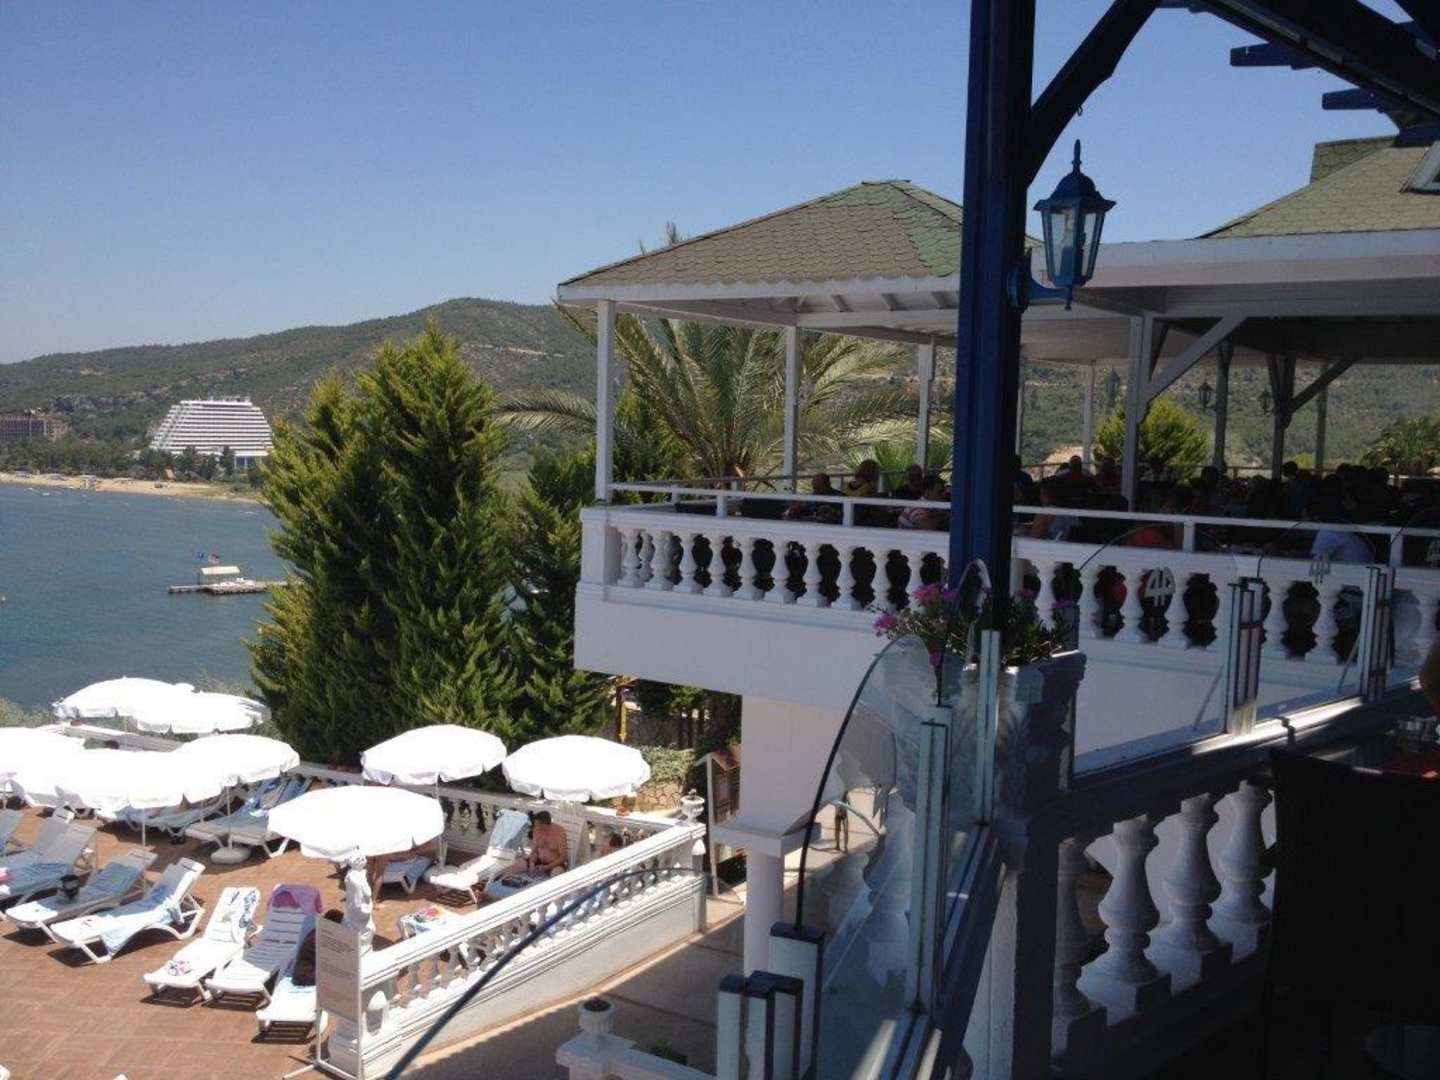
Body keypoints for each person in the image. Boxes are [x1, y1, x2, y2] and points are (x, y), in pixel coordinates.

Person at [527, 811, 569, 878]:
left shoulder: (559, 832)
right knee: (518, 865)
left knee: (556, 874)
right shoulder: (537, 830)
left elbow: (563, 857)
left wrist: (546, 867)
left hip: (555, 864)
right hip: (539, 861)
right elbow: (534, 851)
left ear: (545, 825)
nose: (536, 827)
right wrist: (532, 863)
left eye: (538, 825)